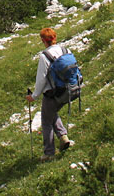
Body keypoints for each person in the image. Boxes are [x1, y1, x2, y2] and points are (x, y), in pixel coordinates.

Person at [25, 27, 74, 161]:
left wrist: (34, 96)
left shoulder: (45, 56)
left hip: (53, 93)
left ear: (43, 40)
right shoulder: (65, 50)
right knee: (51, 112)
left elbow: (41, 79)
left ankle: (49, 153)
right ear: (55, 37)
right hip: (69, 89)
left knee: (46, 121)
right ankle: (63, 137)